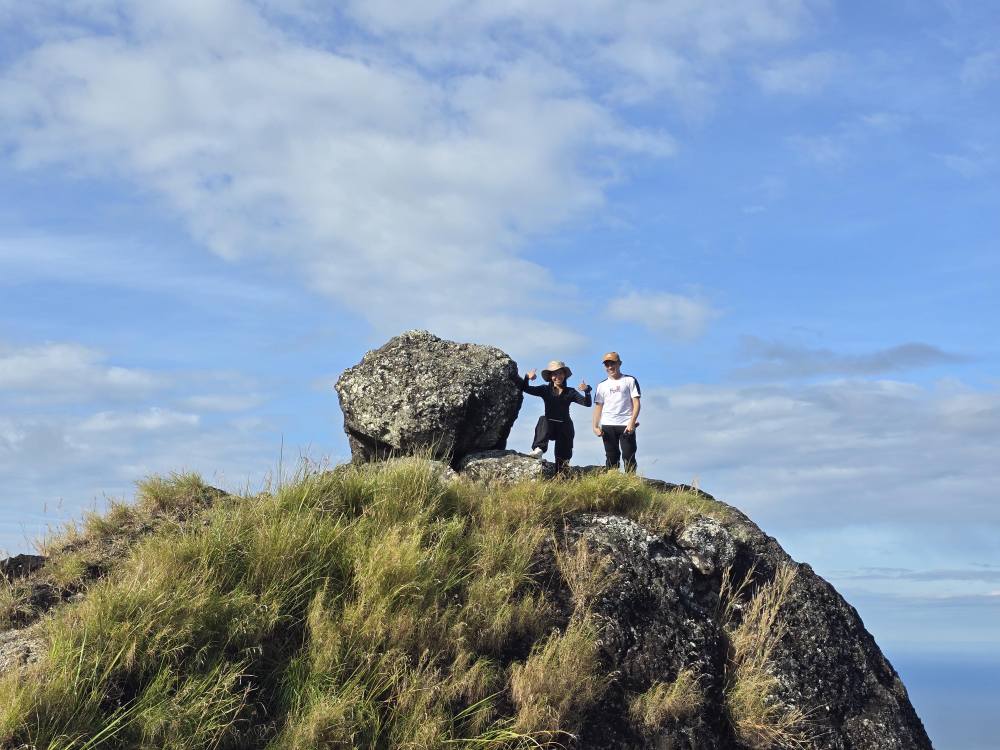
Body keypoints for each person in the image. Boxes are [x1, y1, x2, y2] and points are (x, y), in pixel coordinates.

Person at [517, 360, 592, 473]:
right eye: (554, 374)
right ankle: (539, 449)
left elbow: (587, 403)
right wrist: (527, 377)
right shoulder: (545, 389)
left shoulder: (570, 392)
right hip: (549, 426)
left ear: (564, 375)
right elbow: (525, 389)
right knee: (543, 418)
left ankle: (561, 478)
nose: (558, 376)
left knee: (562, 465)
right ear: (550, 376)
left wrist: (587, 391)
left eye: (560, 373)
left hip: (564, 427)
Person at [592, 351, 641, 472]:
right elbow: (598, 407)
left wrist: (632, 422)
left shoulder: (630, 380)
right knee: (611, 456)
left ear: (619, 363)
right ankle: (612, 482)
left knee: (628, 455)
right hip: (608, 425)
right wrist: (595, 426)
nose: (610, 367)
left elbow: (636, 403)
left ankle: (631, 483)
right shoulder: (602, 385)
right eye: (607, 364)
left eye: (612, 363)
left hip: (626, 424)